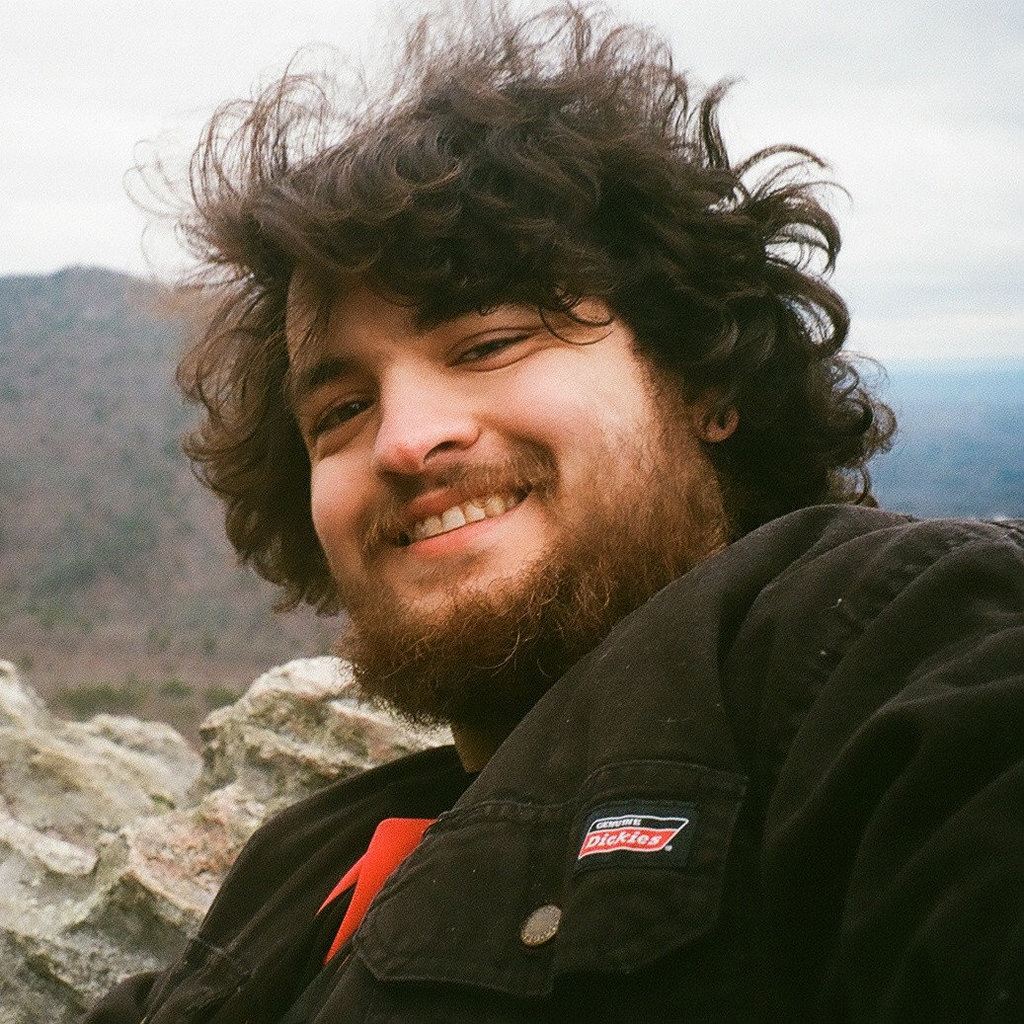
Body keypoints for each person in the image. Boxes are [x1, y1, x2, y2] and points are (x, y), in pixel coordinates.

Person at [86, 3, 1022, 1021]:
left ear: (705, 378)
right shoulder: (302, 861)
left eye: (487, 344)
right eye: (340, 411)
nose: (402, 441)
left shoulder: (875, 637)